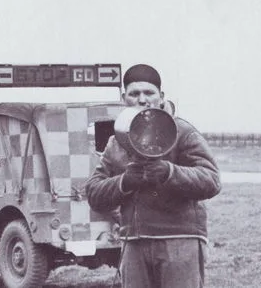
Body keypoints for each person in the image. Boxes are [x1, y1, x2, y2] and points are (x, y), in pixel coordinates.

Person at [86, 64, 221, 288]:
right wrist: (125, 181)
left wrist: (169, 172)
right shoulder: (116, 141)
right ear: (123, 98)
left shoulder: (183, 132)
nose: (142, 99)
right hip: (134, 244)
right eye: (134, 94)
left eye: (149, 93)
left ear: (161, 97)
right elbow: (93, 192)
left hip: (179, 240)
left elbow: (211, 180)